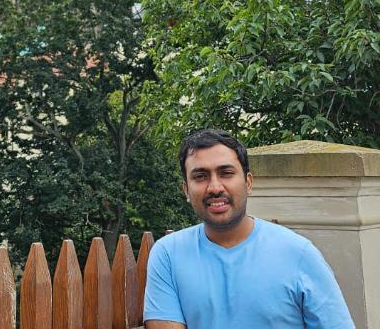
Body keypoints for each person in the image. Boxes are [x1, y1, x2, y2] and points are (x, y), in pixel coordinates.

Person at [143, 129, 354, 329]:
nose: (215, 187)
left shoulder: (299, 254)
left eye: (226, 173)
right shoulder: (168, 255)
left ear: (248, 183)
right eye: (200, 176)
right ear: (186, 190)